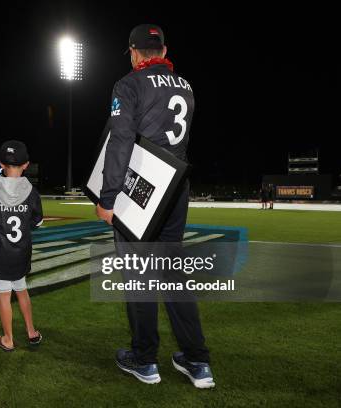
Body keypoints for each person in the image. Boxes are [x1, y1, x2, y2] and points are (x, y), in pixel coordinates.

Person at [96, 24, 214, 388]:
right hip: (176, 189)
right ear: (164, 49)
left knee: (139, 276)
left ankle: (145, 359)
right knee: (175, 276)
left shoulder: (129, 84)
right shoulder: (186, 85)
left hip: (143, 191)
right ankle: (197, 361)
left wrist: (108, 196)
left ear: (134, 52)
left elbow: (120, 142)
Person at [0, 141, 43, 351]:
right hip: (21, 252)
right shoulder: (32, 192)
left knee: (4, 295)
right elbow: (37, 221)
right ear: (26, 164)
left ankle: (8, 339)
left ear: (0, 164)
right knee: (22, 290)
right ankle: (31, 332)